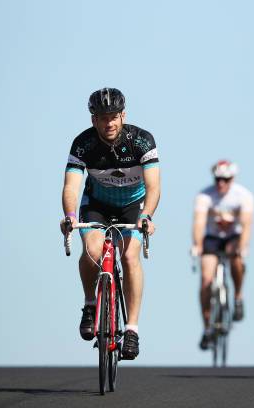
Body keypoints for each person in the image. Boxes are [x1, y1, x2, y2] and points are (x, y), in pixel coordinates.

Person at [60, 88, 160, 360]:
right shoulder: (83, 144)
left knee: (129, 257)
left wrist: (147, 216)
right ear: (93, 119)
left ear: (123, 115)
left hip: (133, 207)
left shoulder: (141, 141)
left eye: (114, 116)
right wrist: (70, 217)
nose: (109, 123)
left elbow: (153, 186)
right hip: (97, 204)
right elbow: (71, 186)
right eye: (103, 117)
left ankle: (131, 330)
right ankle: (90, 304)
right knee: (92, 253)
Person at [192, 160, 254, 350]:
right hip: (212, 238)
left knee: (236, 257)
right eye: (218, 179)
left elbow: (246, 225)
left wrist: (243, 247)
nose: (221, 183)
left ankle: (238, 297)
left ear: (232, 179)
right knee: (206, 281)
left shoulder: (243, 195)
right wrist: (197, 245)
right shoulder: (205, 195)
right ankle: (207, 328)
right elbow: (199, 223)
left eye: (225, 180)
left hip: (233, 238)